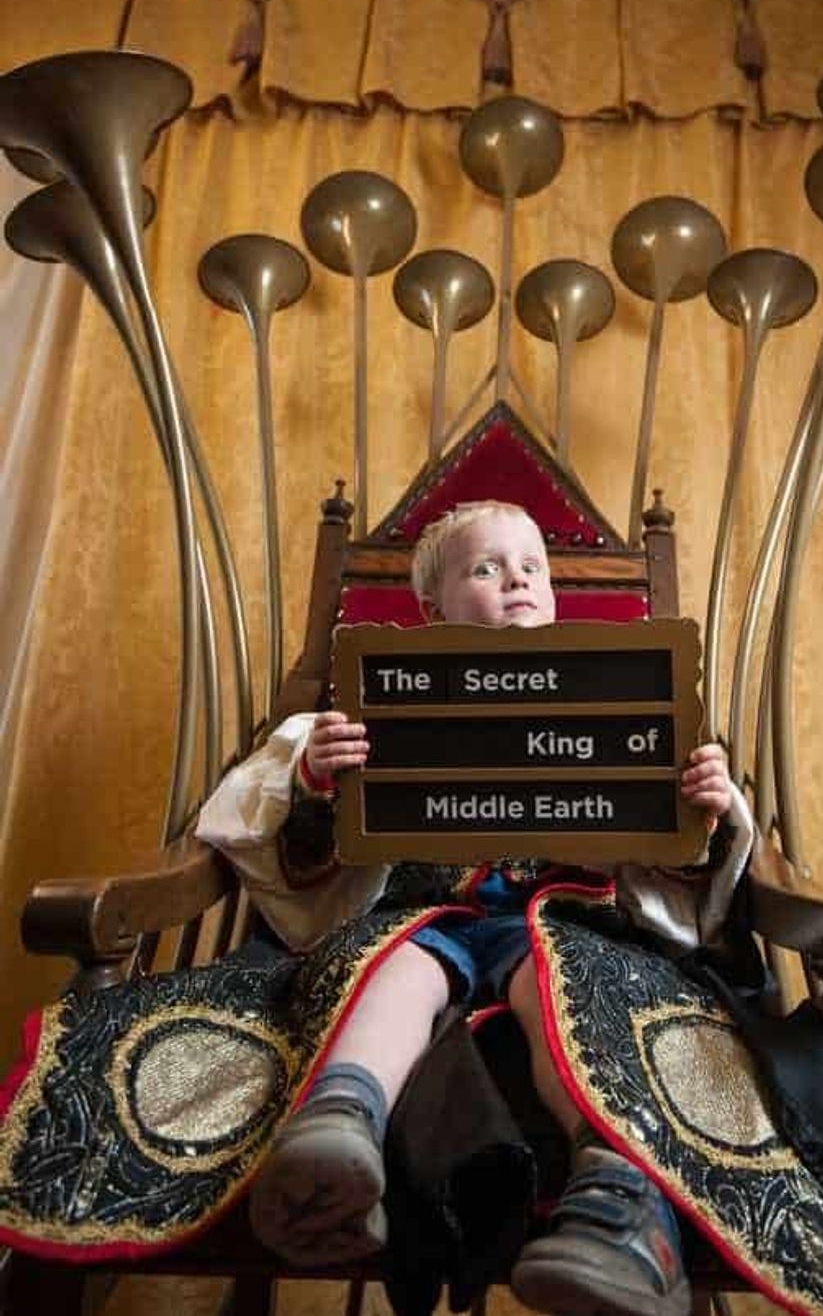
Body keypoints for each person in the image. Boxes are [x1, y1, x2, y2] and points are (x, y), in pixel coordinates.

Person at [211, 500, 731, 1316]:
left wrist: (702, 803)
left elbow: (693, 857)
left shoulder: (627, 700)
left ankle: (622, 1198)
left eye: (534, 567)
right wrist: (314, 776)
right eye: (486, 568)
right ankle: (339, 1123)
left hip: (564, 923)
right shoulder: (370, 703)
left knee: (560, 977)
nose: (517, 579)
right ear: (431, 610)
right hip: (430, 916)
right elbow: (268, 815)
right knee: (396, 963)